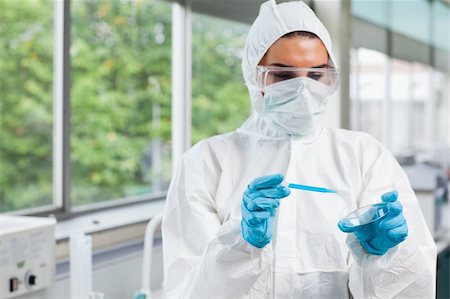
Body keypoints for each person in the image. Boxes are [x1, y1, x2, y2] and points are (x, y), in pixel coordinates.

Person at [161, 0, 437, 298]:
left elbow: (413, 286)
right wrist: (240, 245)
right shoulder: (205, 163)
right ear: (255, 76)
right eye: (284, 75)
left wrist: (385, 256)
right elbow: (187, 290)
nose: (304, 90)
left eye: (316, 75)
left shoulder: (364, 156)